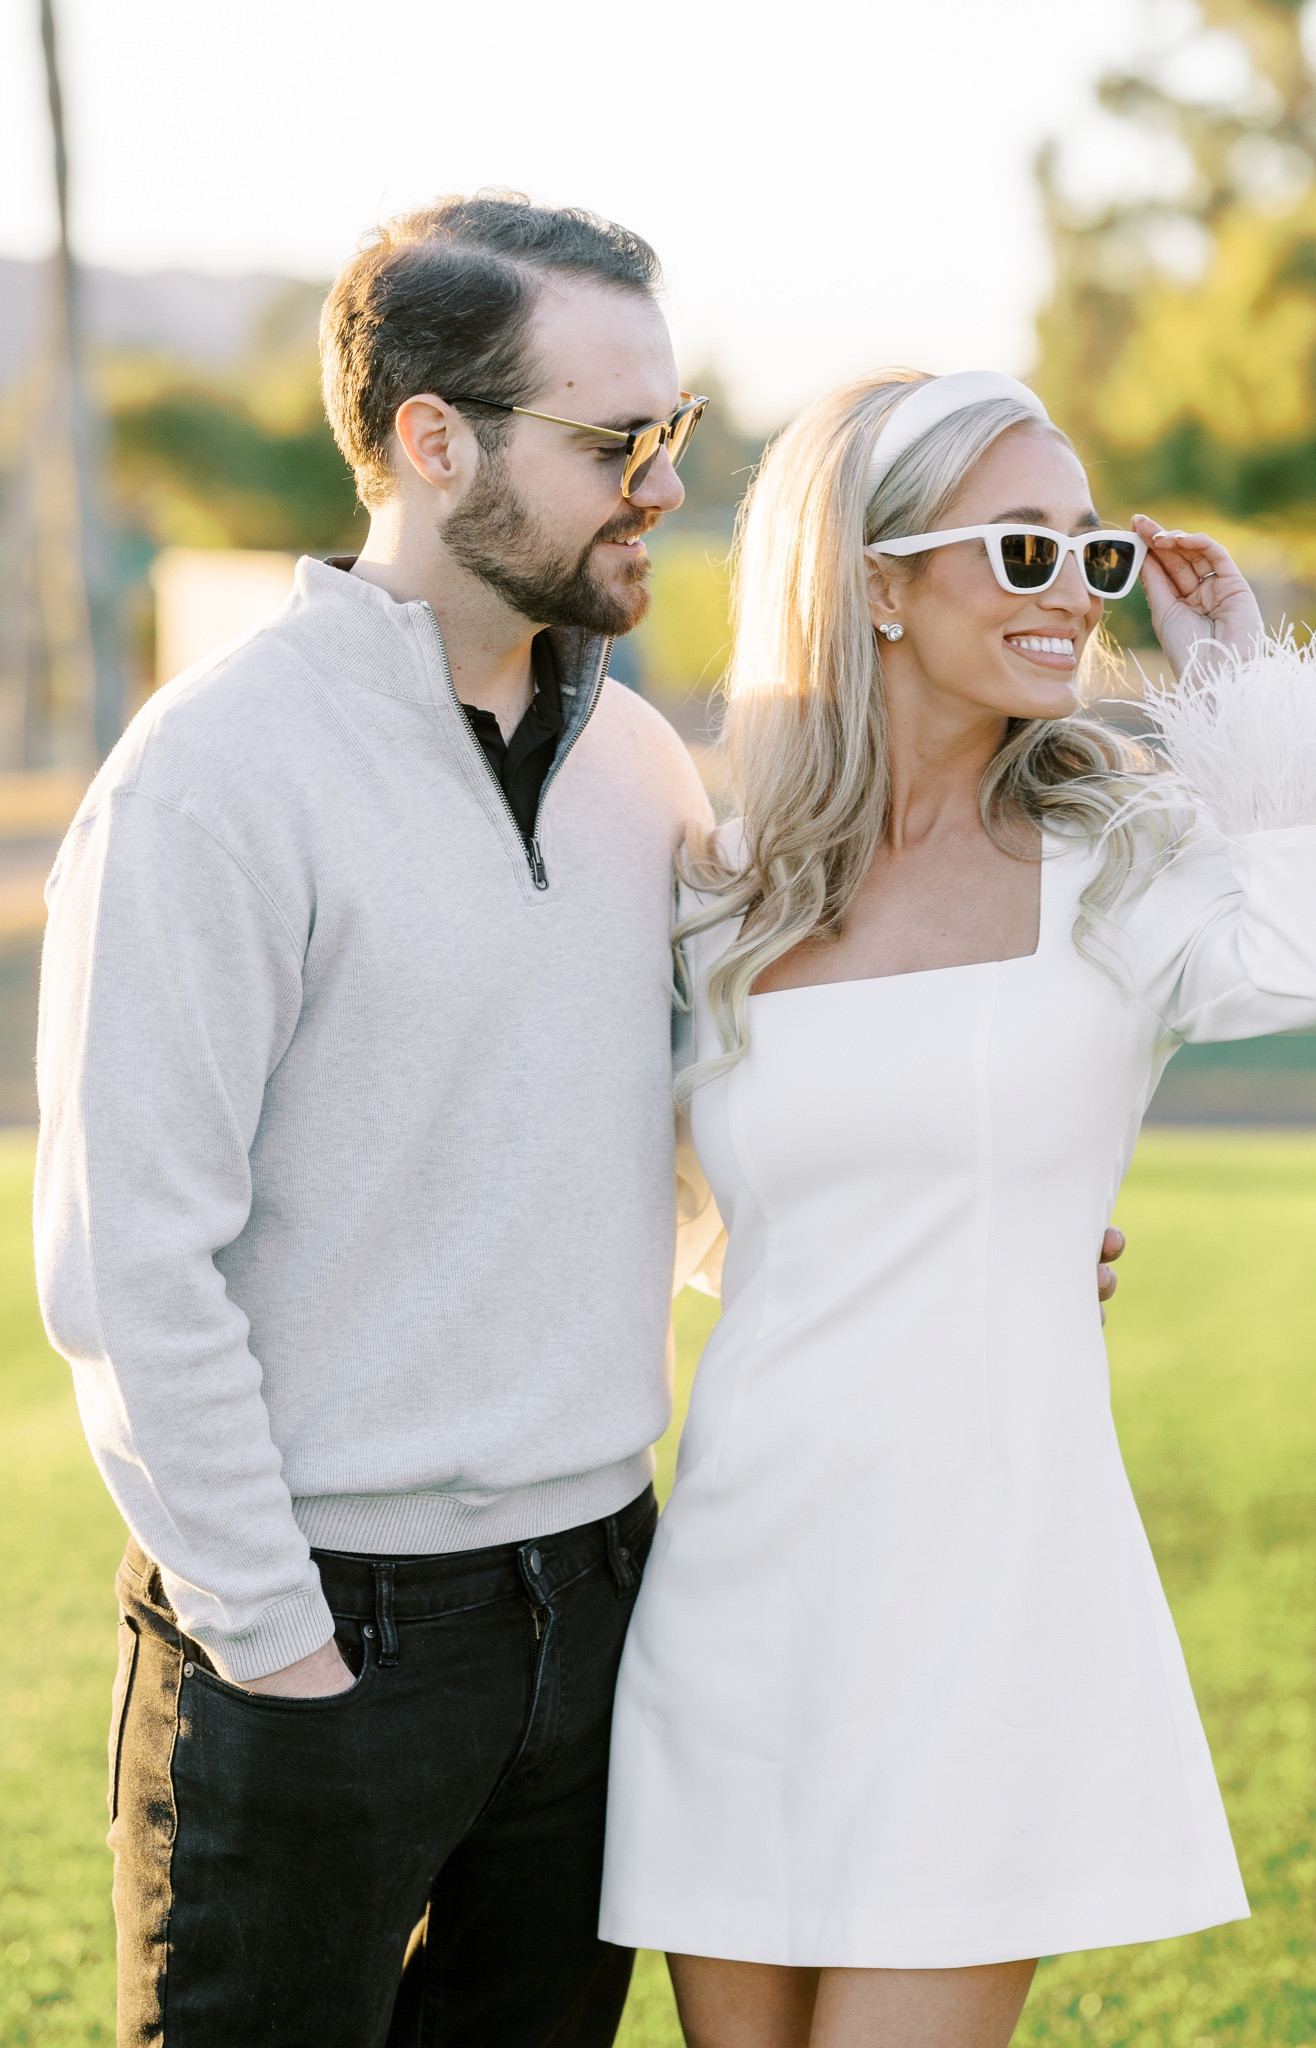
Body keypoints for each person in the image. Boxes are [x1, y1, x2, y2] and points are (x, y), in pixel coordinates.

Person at [599, 369, 1316, 2048]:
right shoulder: (718, 886)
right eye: (1019, 549)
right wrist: (949, 1235)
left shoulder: (1122, 858)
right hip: (742, 1594)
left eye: (1087, 556)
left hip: (994, 1594)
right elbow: (685, 1215)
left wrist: (1237, 681)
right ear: (873, 579)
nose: (1069, 596)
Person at [33, 192, 714, 2048]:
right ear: (433, 440)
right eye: (611, 441)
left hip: (600, 1595)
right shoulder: (212, 778)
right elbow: (127, 1260)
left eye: (675, 429)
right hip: (318, 1634)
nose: (659, 481)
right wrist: (277, 1638)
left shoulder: (638, 762)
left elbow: (674, 1135)